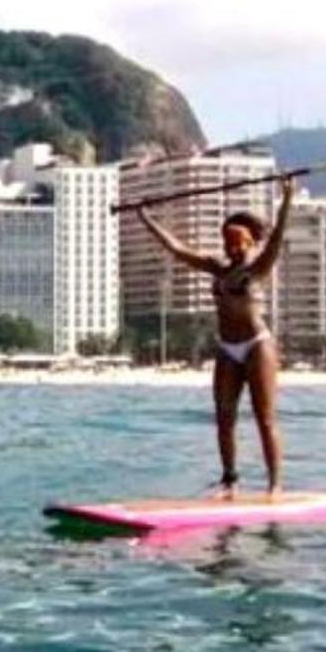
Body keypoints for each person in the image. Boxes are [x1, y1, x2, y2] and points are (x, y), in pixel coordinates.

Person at [136, 174, 297, 497]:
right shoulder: (217, 268)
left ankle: (275, 484)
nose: (231, 247)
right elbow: (177, 249)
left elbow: (277, 238)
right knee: (224, 418)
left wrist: (287, 198)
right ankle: (230, 480)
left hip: (256, 346)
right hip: (227, 348)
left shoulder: (259, 268)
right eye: (227, 241)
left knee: (265, 419)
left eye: (237, 241)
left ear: (251, 241)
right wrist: (145, 217)